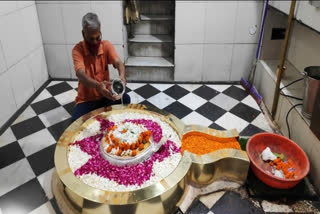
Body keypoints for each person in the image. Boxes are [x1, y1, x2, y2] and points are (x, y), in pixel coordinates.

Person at [72, 13, 130, 121]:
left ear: (100, 32)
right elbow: (81, 74)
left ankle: (101, 114)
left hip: (105, 96)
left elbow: (118, 63)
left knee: (126, 99)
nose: (95, 42)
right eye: (91, 39)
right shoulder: (77, 50)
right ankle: (100, 113)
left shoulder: (106, 45)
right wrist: (98, 86)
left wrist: (122, 76)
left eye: (98, 38)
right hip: (86, 100)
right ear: (83, 34)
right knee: (76, 122)